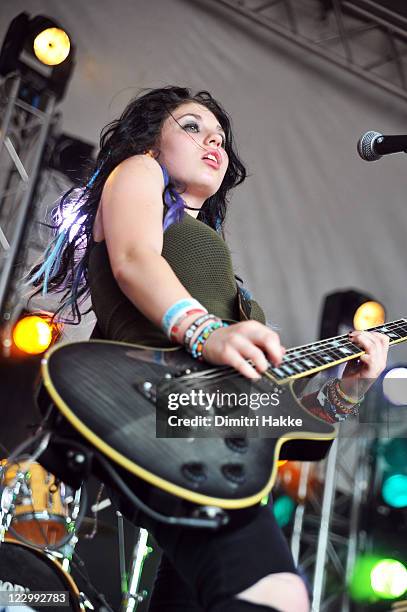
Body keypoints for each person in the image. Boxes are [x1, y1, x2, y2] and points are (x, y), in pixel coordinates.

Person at [26, 86, 389, 611]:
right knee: (277, 595)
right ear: (150, 140)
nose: (213, 142)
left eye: (220, 136)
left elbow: (288, 426)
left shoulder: (224, 281)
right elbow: (132, 257)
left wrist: (348, 389)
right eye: (192, 127)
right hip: (155, 406)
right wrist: (205, 332)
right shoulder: (138, 170)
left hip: (208, 436)